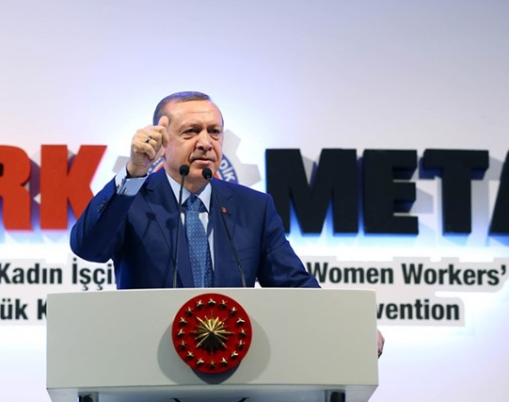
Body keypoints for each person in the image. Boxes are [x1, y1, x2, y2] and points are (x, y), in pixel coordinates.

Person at [69, 91, 384, 355]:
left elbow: (292, 284)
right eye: (191, 132)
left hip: (233, 369)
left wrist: (348, 326)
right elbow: (88, 247)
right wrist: (134, 172)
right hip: (148, 365)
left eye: (214, 132)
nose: (206, 143)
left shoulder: (253, 207)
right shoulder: (131, 199)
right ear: (162, 143)